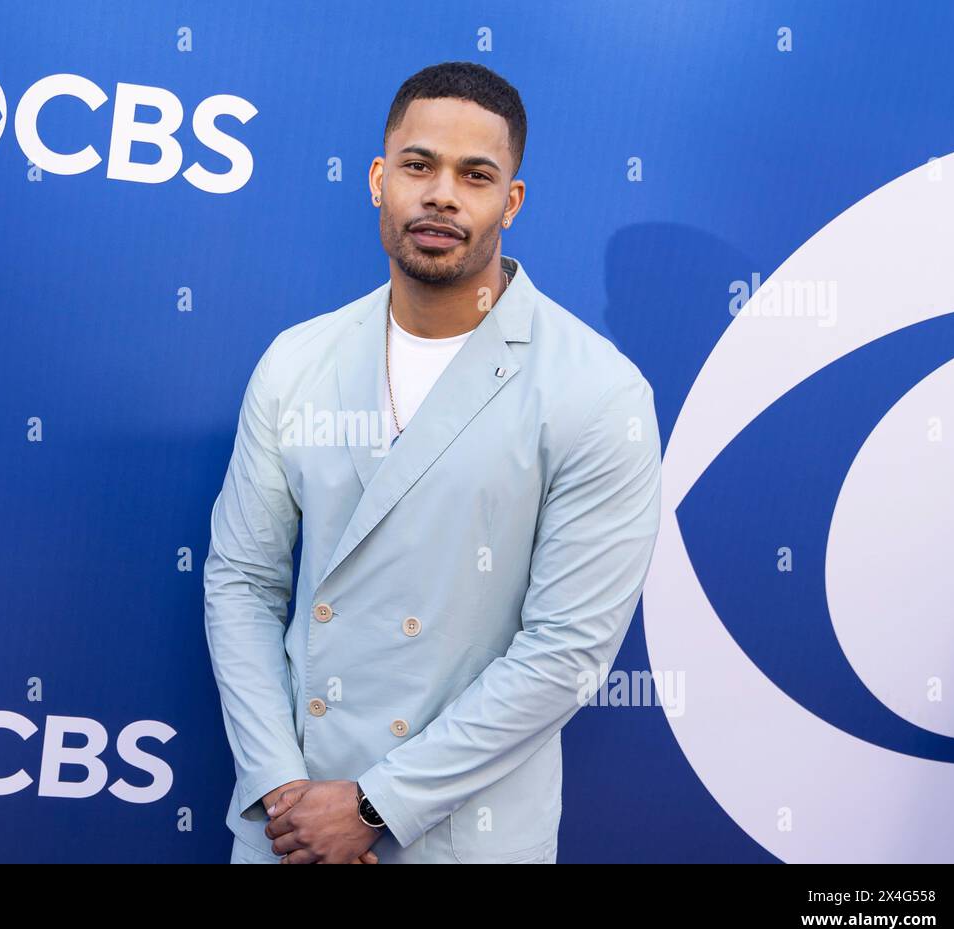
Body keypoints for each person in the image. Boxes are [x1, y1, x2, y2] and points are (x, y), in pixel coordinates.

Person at [203, 61, 662, 863]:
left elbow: (566, 654)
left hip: (462, 834)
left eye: (475, 174)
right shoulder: (296, 361)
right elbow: (241, 581)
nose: (442, 194)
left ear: (509, 203)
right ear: (379, 181)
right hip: (291, 830)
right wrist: (281, 785)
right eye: (419, 166)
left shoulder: (597, 390)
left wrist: (377, 804)